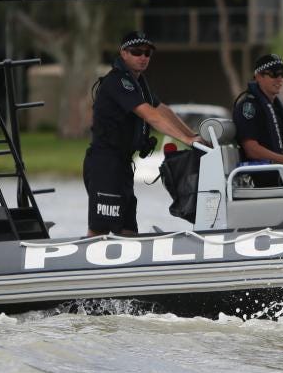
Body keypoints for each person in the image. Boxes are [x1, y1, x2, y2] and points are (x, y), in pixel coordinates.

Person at [84, 31, 202, 237]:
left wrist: (193, 135)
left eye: (147, 53)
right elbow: (150, 115)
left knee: (128, 228)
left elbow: (162, 110)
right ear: (123, 53)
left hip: (123, 165)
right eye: (136, 52)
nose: (143, 57)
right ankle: (87, 256)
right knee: (100, 226)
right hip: (105, 164)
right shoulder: (118, 81)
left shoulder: (139, 83)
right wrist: (185, 140)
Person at [232, 54, 283, 185]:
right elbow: (252, 150)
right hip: (264, 178)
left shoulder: (276, 107)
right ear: (259, 76)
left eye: (282, 74)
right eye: (274, 74)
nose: (280, 79)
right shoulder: (249, 106)